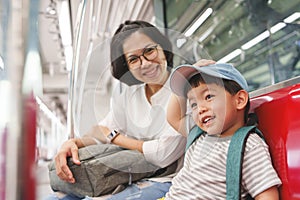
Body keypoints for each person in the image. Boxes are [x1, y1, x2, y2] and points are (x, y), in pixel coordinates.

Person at [46, 20, 188, 200]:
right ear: (126, 66)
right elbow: (99, 132)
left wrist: (115, 136)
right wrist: (73, 143)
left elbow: (162, 155)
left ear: (163, 48)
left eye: (149, 50)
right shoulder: (130, 96)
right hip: (129, 176)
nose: (145, 63)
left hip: (166, 180)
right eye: (133, 59)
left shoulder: (184, 89)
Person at [164, 63, 282, 199]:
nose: (200, 109)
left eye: (208, 97)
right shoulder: (197, 134)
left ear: (239, 100)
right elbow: (173, 117)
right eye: (194, 104)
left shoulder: (248, 146)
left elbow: (267, 195)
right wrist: (191, 71)